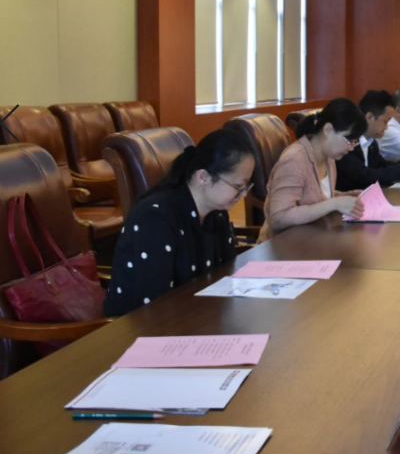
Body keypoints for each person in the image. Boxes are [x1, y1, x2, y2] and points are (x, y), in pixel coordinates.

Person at [103, 129, 255, 317]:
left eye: (246, 186)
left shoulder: (216, 212)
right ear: (203, 177)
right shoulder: (155, 217)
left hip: (197, 315)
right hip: (142, 326)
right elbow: (154, 307)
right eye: (238, 186)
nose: (244, 194)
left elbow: (225, 274)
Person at [260, 98, 366, 242]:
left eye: (355, 142)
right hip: (283, 246)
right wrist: (334, 203)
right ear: (328, 130)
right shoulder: (294, 160)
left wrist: (345, 196)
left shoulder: (328, 157)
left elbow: (314, 196)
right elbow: (279, 217)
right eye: (349, 140)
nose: (351, 148)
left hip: (313, 239)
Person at [336, 90, 400, 191]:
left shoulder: (372, 142)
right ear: (370, 117)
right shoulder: (349, 143)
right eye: (385, 121)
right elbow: (365, 176)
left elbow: (382, 165)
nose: (386, 127)